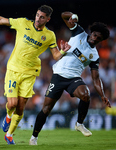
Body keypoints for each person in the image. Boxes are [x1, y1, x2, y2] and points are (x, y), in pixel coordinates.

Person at [0, 5, 71, 145]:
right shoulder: (22, 23)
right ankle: (8, 116)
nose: (38, 19)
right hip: (14, 70)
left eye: (42, 17)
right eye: (37, 15)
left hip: (30, 73)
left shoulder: (49, 35)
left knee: (21, 107)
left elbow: (56, 55)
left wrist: (63, 51)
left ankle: (9, 135)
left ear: (48, 19)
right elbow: (0, 20)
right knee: (12, 104)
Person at [29, 11, 112, 145]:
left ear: (101, 41)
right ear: (92, 33)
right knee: (46, 109)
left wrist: (102, 95)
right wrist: (72, 17)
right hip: (58, 75)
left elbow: (96, 79)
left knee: (86, 95)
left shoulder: (94, 56)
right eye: (95, 35)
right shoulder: (79, 32)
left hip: (73, 78)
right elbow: (63, 15)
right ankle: (34, 137)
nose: (95, 38)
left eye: (99, 38)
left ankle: (79, 124)